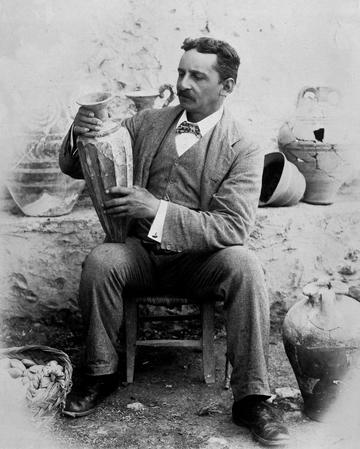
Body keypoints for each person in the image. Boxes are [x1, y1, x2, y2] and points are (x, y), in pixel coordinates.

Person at [59, 37, 289, 446]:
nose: (183, 83)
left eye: (197, 76)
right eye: (181, 72)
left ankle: (253, 397)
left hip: (200, 264)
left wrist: (155, 210)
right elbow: (81, 164)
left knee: (245, 264)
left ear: (227, 86)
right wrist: (80, 133)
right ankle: (99, 373)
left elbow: (232, 228)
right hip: (140, 255)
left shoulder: (245, 147)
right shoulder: (148, 122)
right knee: (101, 260)